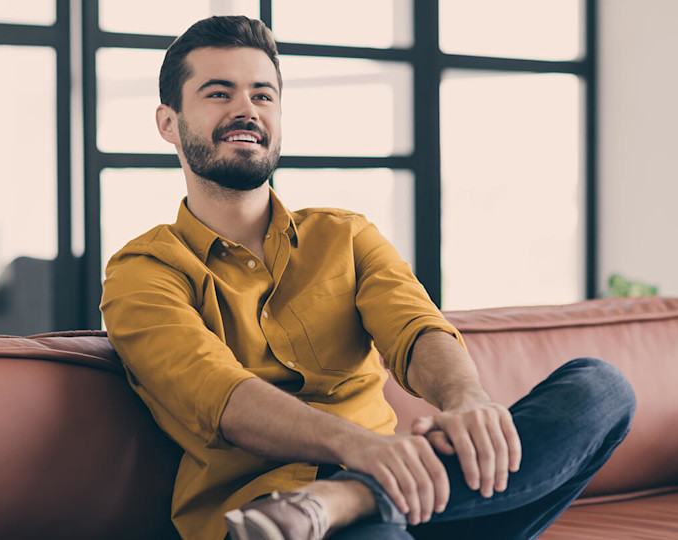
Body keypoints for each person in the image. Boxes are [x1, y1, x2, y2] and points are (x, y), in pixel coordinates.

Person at [101, 15, 636, 540]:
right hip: (271, 516)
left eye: (262, 95)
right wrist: (362, 448)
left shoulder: (346, 236)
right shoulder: (143, 273)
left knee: (601, 389)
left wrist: (466, 399)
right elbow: (221, 396)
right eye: (219, 93)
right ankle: (349, 504)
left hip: (411, 492)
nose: (246, 109)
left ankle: (345, 500)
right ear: (168, 122)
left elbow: (415, 327)